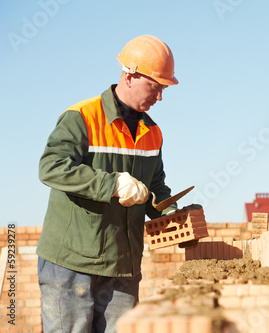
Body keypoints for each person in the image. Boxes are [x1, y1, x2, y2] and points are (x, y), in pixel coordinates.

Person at [37, 35, 180, 332]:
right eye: (155, 86)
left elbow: (156, 187)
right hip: (72, 264)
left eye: (163, 88)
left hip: (122, 265)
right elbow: (51, 167)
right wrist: (112, 184)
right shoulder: (82, 117)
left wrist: (170, 214)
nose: (160, 96)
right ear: (129, 75)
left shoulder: (153, 132)